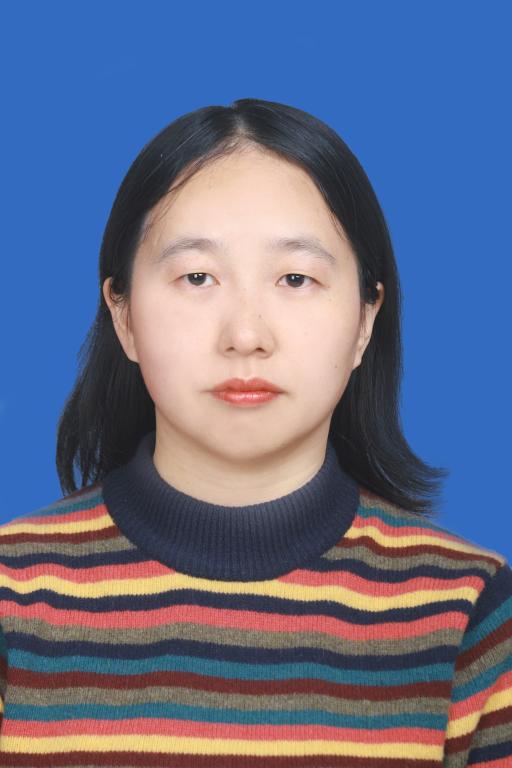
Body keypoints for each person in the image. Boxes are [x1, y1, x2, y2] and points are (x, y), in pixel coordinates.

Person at [0, 98, 510, 766]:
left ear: (365, 319)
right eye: (197, 277)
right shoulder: (12, 597)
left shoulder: (467, 614)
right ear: (123, 315)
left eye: (295, 278)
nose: (245, 335)